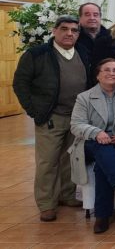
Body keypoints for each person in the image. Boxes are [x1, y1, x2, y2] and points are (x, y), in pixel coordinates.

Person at [12, 16, 88, 222]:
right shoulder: (37, 54)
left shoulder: (82, 52)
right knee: (47, 162)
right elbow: (20, 83)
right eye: (64, 29)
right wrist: (34, 110)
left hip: (76, 117)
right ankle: (46, 203)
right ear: (54, 31)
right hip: (50, 117)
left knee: (70, 159)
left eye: (74, 30)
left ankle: (67, 194)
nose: (69, 33)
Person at [70, 58, 115, 233]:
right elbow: (76, 125)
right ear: (98, 75)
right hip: (90, 143)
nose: (111, 73)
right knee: (102, 148)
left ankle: (102, 215)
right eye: (107, 70)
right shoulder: (84, 97)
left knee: (103, 163)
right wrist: (96, 133)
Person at [75, 2, 110, 66]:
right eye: (87, 15)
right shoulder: (74, 37)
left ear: (100, 17)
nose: (92, 18)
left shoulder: (112, 37)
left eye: (95, 15)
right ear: (80, 18)